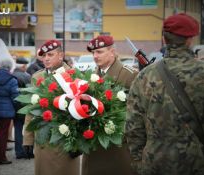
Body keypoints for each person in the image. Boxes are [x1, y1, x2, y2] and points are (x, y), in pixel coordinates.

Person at [125, 13, 204, 175]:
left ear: (164, 39)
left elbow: (133, 127)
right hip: (197, 162)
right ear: (190, 40)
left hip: (155, 163)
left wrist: (140, 162)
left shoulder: (144, 76)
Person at [23, 40, 82, 175]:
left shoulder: (73, 75)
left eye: (50, 54)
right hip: (43, 140)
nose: (46, 58)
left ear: (60, 55)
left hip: (65, 140)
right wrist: (28, 138)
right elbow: (31, 109)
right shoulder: (37, 77)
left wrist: (78, 142)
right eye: (44, 56)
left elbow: (82, 110)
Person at [84, 35, 138, 175]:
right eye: (93, 52)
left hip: (118, 145)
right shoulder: (90, 76)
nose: (95, 56)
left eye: (100, 52)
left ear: (112, 52)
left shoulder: (129, 75)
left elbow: (138, 111)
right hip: (94, 144)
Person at [12, 57, 31, 159]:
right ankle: (28, 151)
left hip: (13, 107)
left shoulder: (11, 75)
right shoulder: (27, 76)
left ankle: (18, 152)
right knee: (28, 130)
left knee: (18, 130)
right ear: (23, 66)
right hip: (25, 106)